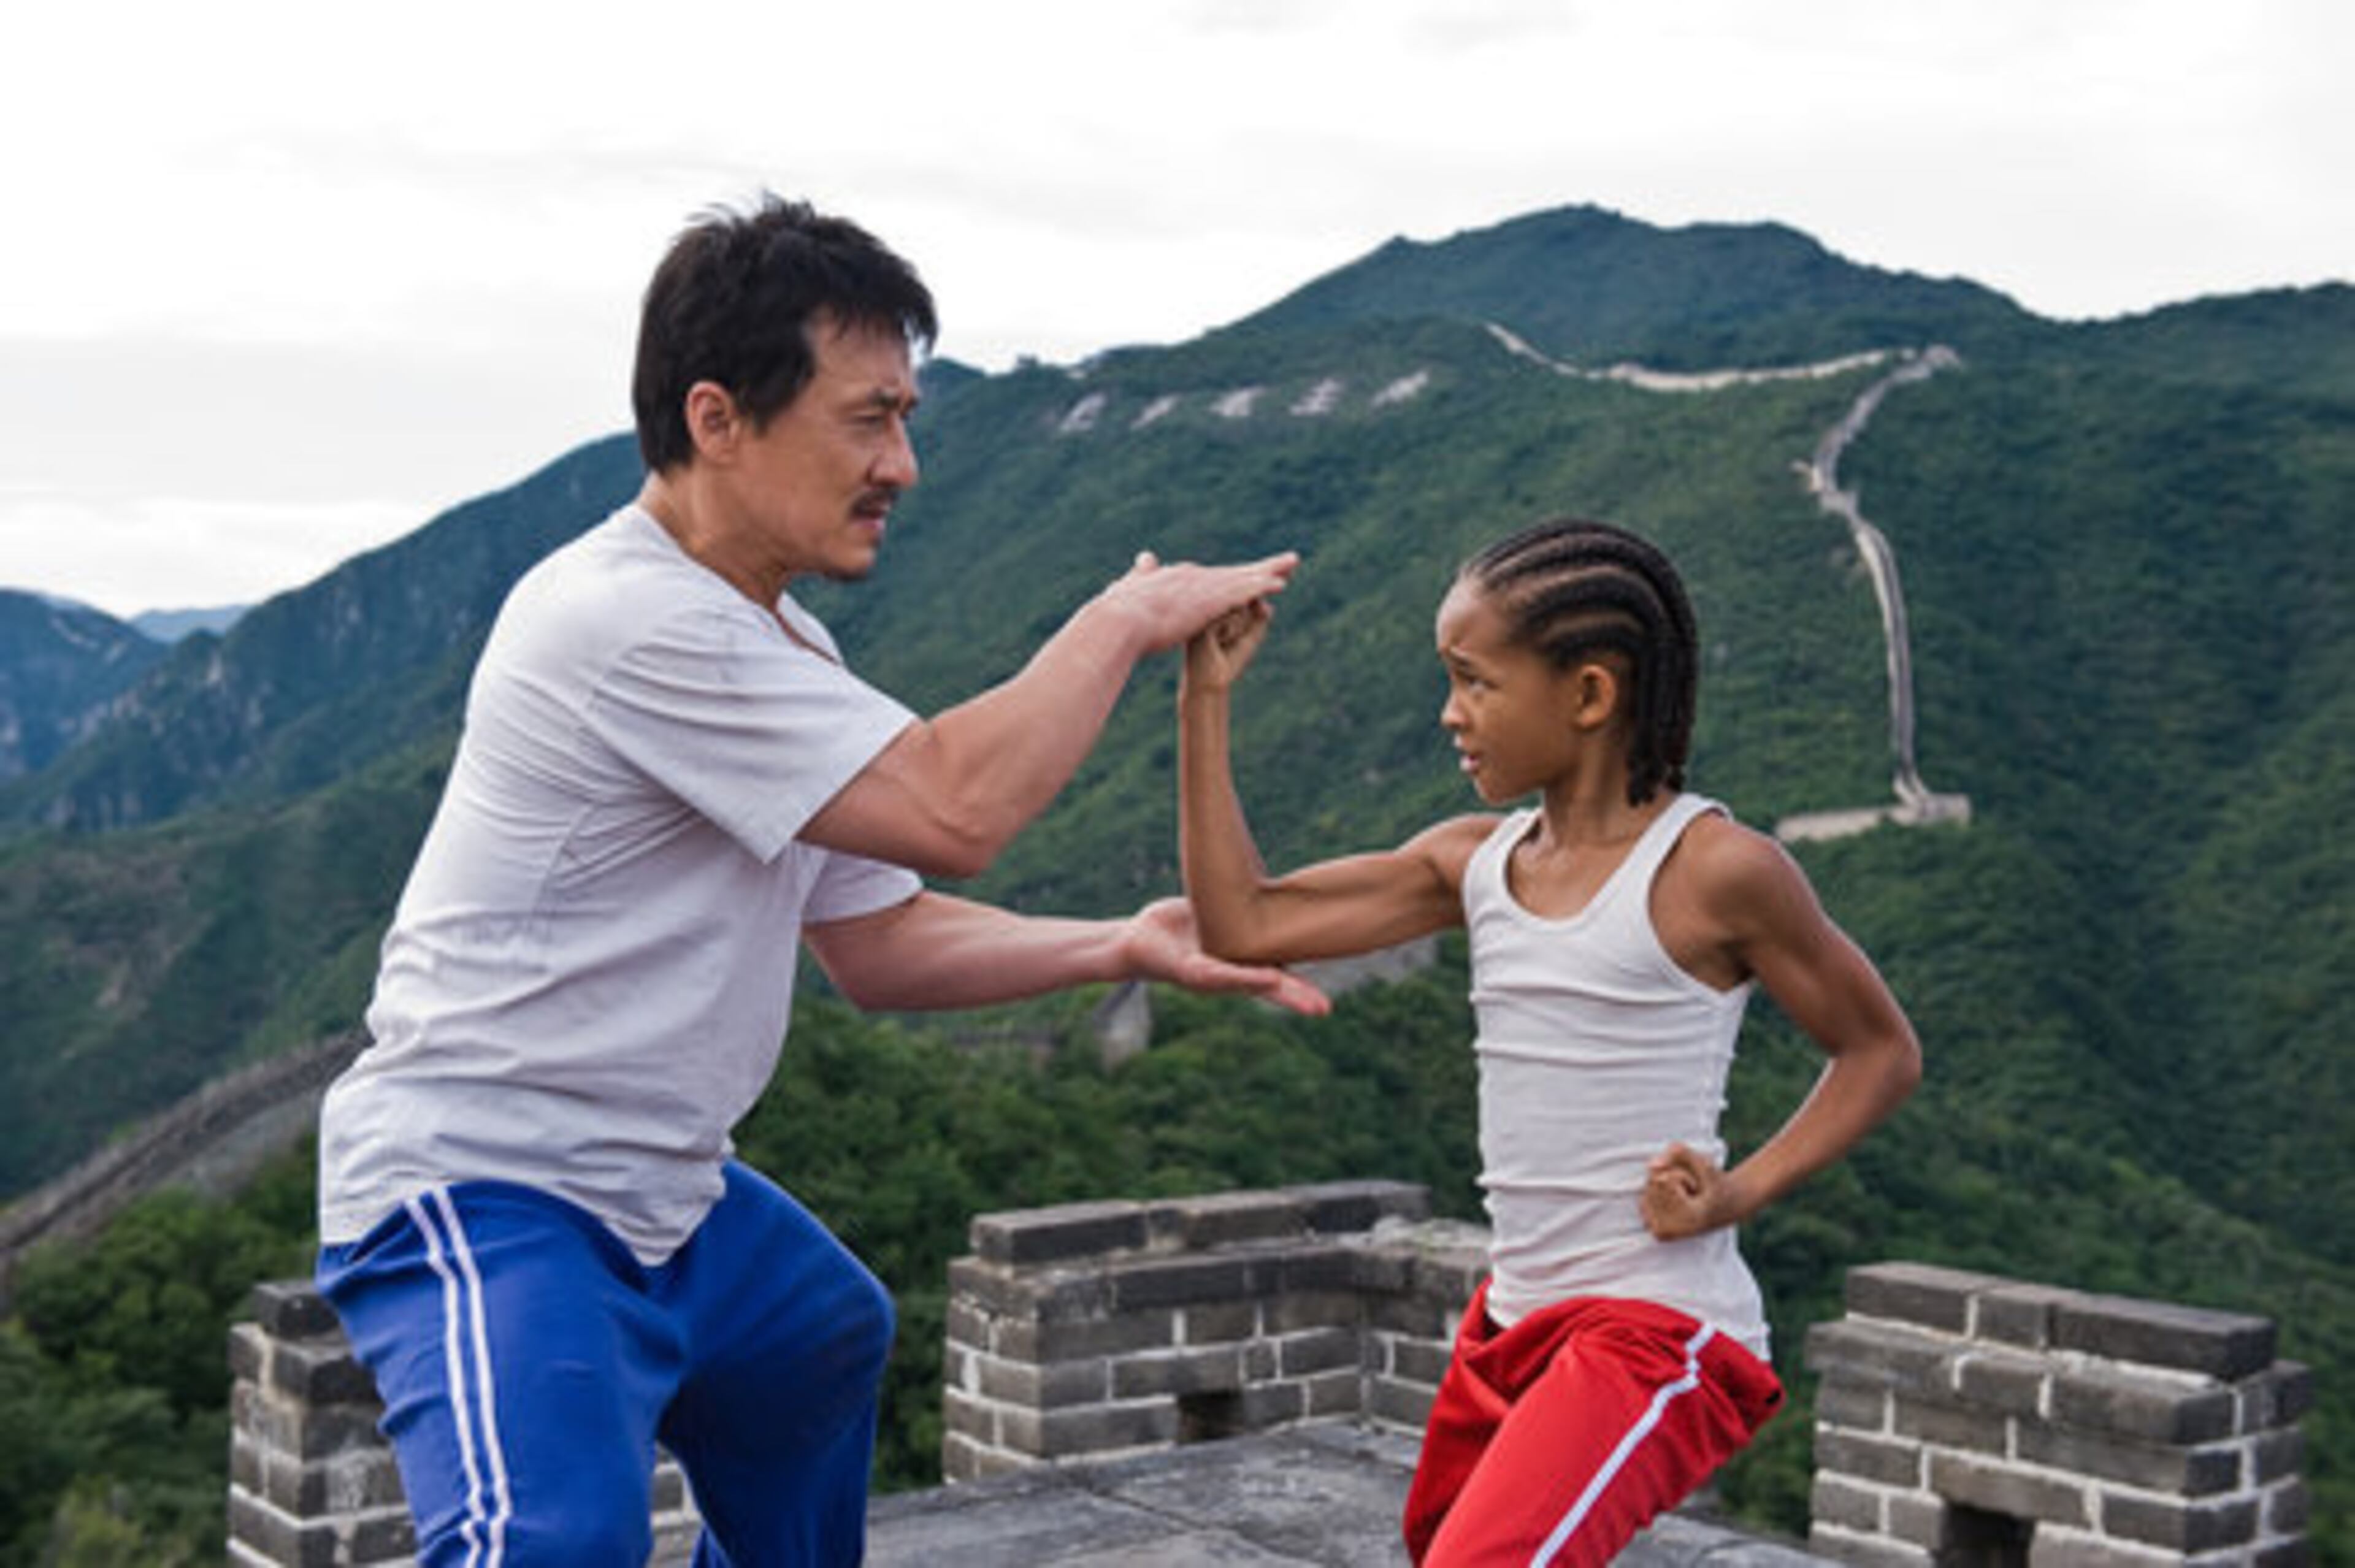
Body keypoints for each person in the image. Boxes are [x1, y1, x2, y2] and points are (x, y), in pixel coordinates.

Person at [312, 194, 1322, 1568]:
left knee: (821, 1335)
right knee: (545, 1543)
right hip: (488, 1184)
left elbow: (881, 939)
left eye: (906, 417)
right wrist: (1124, 617)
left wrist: (1121, 945)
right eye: (867, 417)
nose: (901, 462)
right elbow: (954, 808)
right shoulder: (624, 617)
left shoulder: (782, 652)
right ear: (718, 418)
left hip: (666, 1191)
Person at [1178, 517, 1921, 1567]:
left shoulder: (1715, 872)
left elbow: (1880, 1051)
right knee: (1444, 1544)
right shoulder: (1472, 864)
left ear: (1588, 695)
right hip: (1512, 1321)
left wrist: (1737, 1191)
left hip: (1658, 1328)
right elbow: (1242, 924)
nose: (1450, 713)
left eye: (1475, 681)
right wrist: (1203, 699)